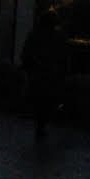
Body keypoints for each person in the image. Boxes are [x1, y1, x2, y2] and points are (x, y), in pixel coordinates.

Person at [19, 9, 69, 140]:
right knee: (48, 100)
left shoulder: (35, 35)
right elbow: (64, 57)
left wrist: (28, 67)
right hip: (49, 75)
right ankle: (42, 124)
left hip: (39, 75)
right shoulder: (58, 37)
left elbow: (26, 54)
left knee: (39, 100)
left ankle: (40, 124)